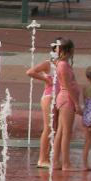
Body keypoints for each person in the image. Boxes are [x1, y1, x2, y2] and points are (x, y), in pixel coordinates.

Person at [27, 38, 63, 169]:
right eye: (60, 47)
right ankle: (42, 159)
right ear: (54, 49)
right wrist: (46, 79)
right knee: (48, 127)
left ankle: (52, 157)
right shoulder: (49, 64)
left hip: (59, 98)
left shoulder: (62, 63)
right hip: (49, 97)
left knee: (57, 127)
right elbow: (30, 72)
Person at [51, 39, 82, 171]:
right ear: (68, 50)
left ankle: (56, 161)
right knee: (66, 133)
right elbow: (67, 86)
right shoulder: (63, 65)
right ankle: (66, 163)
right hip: (67, 99)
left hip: (65, 99)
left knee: (61, 131)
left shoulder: (62, 63)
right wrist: (77, 104)